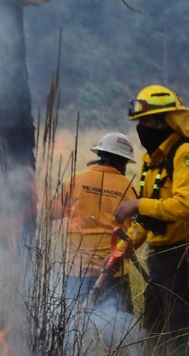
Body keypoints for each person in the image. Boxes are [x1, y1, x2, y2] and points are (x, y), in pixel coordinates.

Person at [112, 84, 189, 356]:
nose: (141, 128)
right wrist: (122, 248)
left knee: (183, 336)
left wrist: (137, 205)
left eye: (145, 121)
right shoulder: (150, 160)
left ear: (163, 121)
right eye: (139, 122)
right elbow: (148, 220)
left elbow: (184, 206)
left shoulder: (186, 154)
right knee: (154, 333)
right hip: (160, 260)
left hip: (185, 258)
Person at [46, 131, 137, 312]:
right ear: (122, 162)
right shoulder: (130, 188)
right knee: (119, 324)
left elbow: (52, 213)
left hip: (76, 270)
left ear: (100, 156)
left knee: (73, 320)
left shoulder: (76, 180)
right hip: (114, 271)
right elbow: (138, 228)